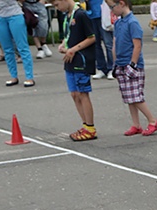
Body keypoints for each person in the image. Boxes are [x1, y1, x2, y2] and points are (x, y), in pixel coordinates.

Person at [110, 0, 157, 136]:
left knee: (136, 96)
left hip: (132, 64)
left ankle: (152, 121)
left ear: (122, 3)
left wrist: (132, 64)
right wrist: (114, 63)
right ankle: (136, 124)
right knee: (128, 97)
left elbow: (137, 45)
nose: (112, 10)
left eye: (112, 7)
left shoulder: (132, 22)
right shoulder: (118, 23)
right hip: (120, 63)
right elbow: (115, 44)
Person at [54, 0, 97, 140]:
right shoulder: (68, 16)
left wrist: (73, 49)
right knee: (74, 94)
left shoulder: (81, 15)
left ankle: (90, 127)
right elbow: (69, 36)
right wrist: (63, 45)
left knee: (83, 93)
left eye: (56, 4)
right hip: (70, 61)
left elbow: (91, 38)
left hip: (81, 60)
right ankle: (84, 125)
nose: (57, 8)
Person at [0, 0, 35, 87]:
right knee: (7, 48)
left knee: (22, 46)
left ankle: (29, 77)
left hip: (15, 13)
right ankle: (13, 76)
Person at [87, 0, 113, 79]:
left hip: (103, 13)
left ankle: (111, 68)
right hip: (90, 14)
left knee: (108, 43)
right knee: (95, 43)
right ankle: (101, 68)